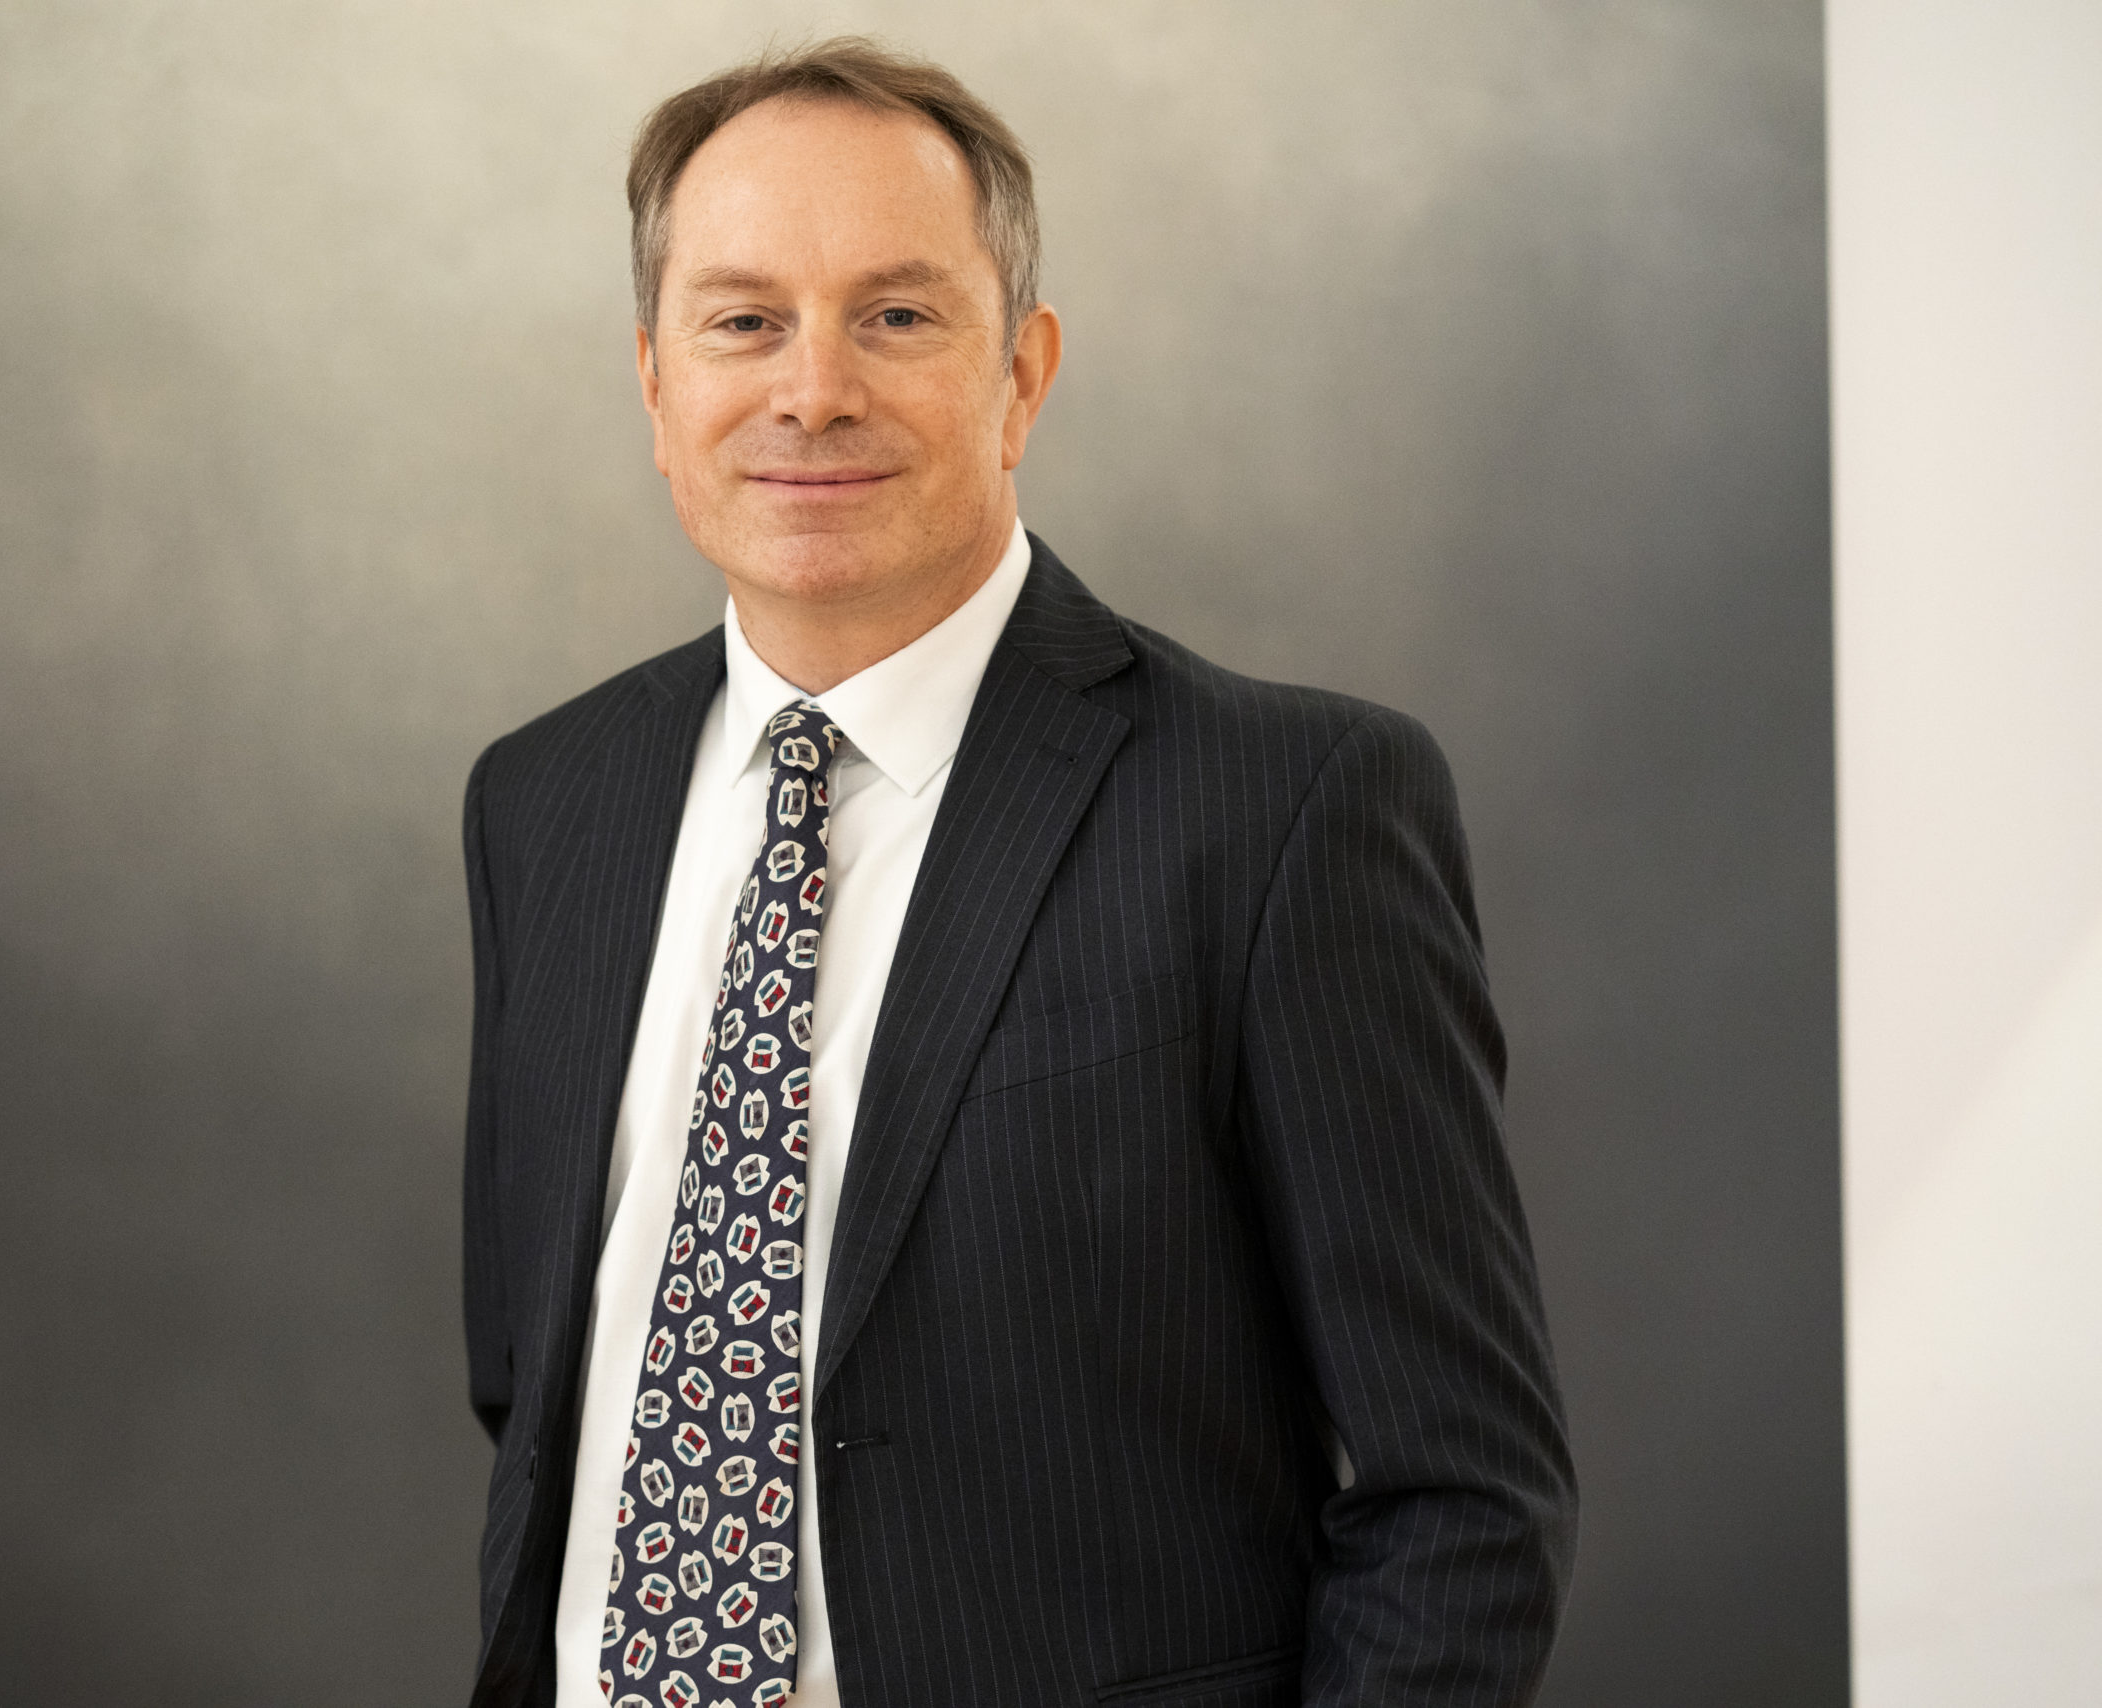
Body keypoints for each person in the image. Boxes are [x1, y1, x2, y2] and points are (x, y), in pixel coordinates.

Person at [459, 37, 1575, 1708]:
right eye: (743, 321)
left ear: (1023, 374)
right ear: (654, 382)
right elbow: (542, 1389)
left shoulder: (1286, 810)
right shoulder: (547, 802)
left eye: (897, 316)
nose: (812, 390)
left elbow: (1466, 1496)